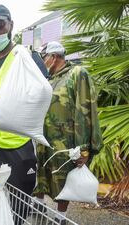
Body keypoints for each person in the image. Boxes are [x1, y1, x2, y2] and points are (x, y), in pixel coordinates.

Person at [0, 5, 48, 224]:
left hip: (17, 147)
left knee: (17, 207)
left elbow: (43, 95)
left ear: (11, 26)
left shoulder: (26, 57)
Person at [34, 41, 102, 224]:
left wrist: (84, 147)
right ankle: (38, 205)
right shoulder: (49, 78)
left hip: (66, 141)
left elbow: (85, 110)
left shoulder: (77, 74)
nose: (42, 62)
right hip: (44, 138)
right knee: (41, 172)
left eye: (44, 57)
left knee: (62, 178)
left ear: (54, 57)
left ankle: (60, 216)